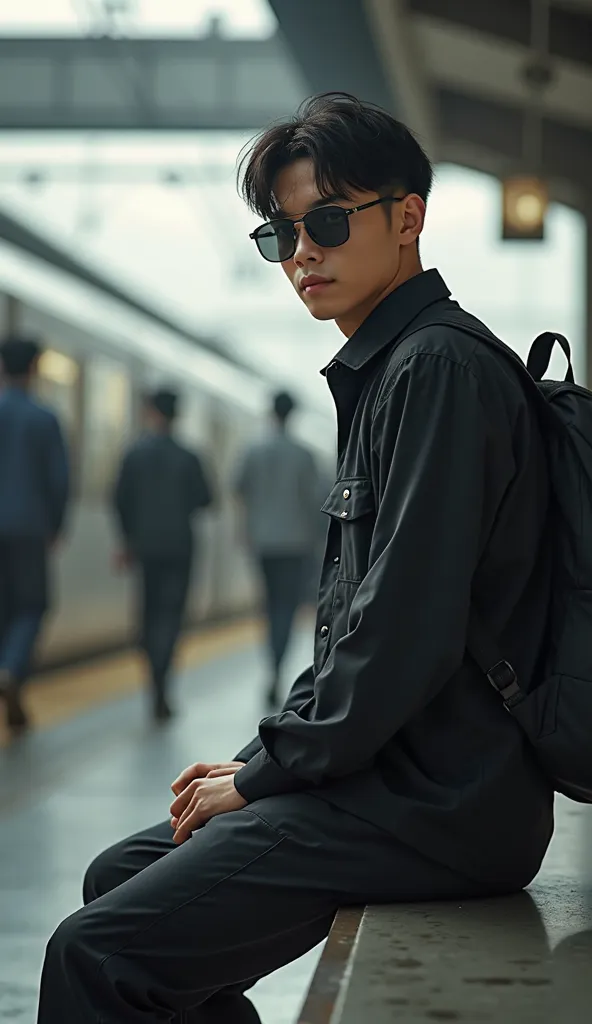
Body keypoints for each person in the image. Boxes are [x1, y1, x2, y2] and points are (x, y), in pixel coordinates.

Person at [38, 93, 555, 1022]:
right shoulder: (390, 370)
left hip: (439, 804)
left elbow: (405, 630)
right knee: (116, 874)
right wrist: (253, 761)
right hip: (398, 782)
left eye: (324, 221)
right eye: (281, 236)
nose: (302, 254)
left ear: (408, 219)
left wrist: (268, 776)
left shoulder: (434, 371)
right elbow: (355, 627)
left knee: (95, 953)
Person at [112, 389, 213, 722]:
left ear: (151, 411)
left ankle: (153, 679)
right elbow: (206, 500)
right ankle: (162, 685)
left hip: (144, 547)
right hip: (180, 547)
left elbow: (120, 500)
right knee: (170, 616)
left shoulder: (134, 453)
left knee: (148, 614)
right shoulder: (188, 456)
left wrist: (127, 541)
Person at [234, 389, 322, 707]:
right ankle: (276, 667)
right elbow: (316, 502)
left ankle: (270, 663)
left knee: (269, 605)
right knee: (286, 606)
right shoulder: (304, 455)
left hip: (262, 542)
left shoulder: (252, 451)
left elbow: (240, 491)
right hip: (296, 544)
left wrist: (246, 529)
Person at [0, 336, 69, 735]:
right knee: (31, 607)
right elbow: (58, 480)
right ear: (33, 370)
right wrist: (55, 526)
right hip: (28, 529)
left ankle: (10, 681)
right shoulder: (44, 418)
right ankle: (10, 671)